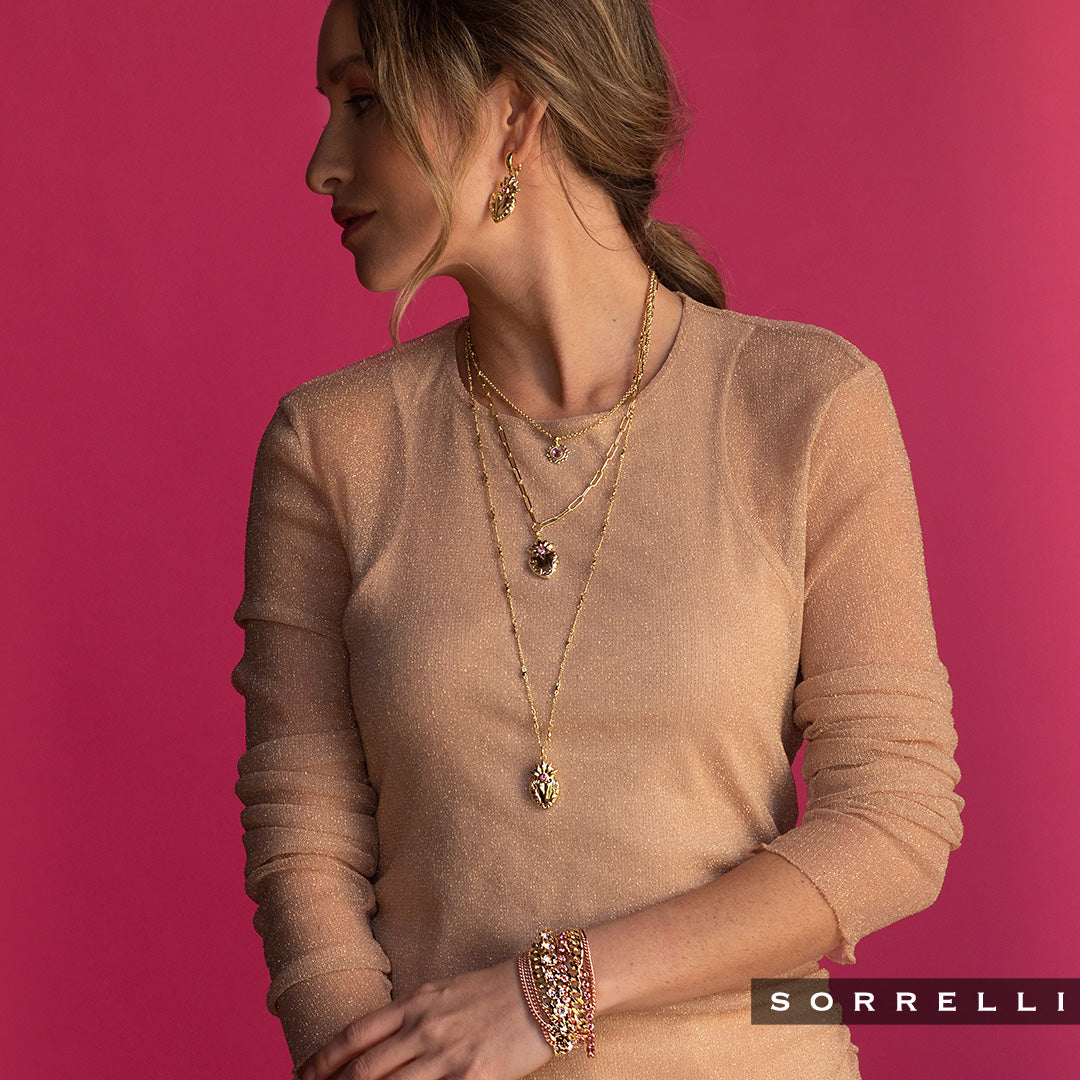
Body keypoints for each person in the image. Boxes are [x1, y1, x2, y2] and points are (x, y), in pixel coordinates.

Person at [231, 1, 963, 1077]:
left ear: (516, 110)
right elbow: (304, 831)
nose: (322, 165)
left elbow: (894, 820)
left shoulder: (804, 406)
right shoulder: (333, 445)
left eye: (366, 100)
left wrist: (552, 992)